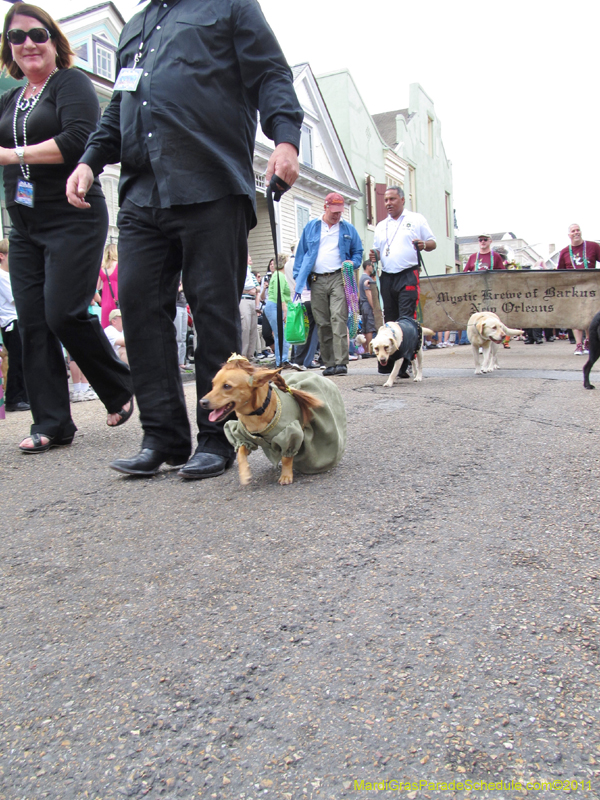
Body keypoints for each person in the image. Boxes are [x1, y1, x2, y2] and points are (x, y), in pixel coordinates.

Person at [67, 0, 302, 479]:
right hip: (141, 189)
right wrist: (91, 159)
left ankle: (217, 437)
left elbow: (270, 73)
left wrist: (285, 137)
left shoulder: (229, 5)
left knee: (213, 310)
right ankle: (162, 436)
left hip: (210, 181)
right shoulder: (134, 26)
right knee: (138, 308)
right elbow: (121, 105)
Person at [0, 4, 133, 454]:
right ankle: (52, 423)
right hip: (25, 226)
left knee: (63, 311)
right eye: (17, 38)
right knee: (32, 323)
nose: (28, 44)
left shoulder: (70, 83)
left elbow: (79, 139)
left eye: (37, 34)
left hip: (73, 215)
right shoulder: (8, 102)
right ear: (9, 49)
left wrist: (11, 156)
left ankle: (118, 387)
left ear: (55, 42)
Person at [369, 186, 436, 376]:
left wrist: (423, 245)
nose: (388, 203)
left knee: (406, 319)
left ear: (402, 200)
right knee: (389, 319)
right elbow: (379, 252)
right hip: (388, 276)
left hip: (408, 273)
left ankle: (405, 363)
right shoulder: (381, 225)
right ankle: (388, 362)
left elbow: (432, 243)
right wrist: (375, 256)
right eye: (386, 200)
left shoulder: (416, 219)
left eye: (392, 199)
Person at [294, 193, 363, 376]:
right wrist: (298, 278)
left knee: (338, 318)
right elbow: (301, 253)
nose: (337, 215)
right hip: (316, 279)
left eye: (339, 212)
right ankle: (329, 362)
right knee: (322, 322)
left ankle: (341, 362)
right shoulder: (312, 227)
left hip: (339, 277)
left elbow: (358, 251)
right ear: (325, 207)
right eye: (334, 211)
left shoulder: (347, 229)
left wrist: (353, 262)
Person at [557, 223, 600, 355]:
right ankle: (578, 344)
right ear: (569, 235)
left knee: (589, 316)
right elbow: (560, 272)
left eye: (578, 230)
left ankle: (588, 342)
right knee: (576, 316)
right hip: (573, 289)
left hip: (590, 288)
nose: (576, 232)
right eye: (573, 231)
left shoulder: (593, 246)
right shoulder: (565, 251)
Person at [0, 238, 29, 411]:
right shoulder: (2, 276)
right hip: (11, 321)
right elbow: (15, 298)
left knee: (23, 360)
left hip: (18, 319)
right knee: (17, 361)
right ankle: (13, 397)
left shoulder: (10, 275)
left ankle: (22, 395)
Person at [264, 254, 291, 367]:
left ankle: (283, 359)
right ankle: (280, 360)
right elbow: (278, 293)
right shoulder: (278, 275)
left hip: (279, 306)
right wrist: (284, 309)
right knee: (280, 333)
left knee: (284, 334)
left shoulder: (281, 275)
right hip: (275, 306)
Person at [239, 256, 259, 361]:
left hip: (253, 301)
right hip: (244, 300)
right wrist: (248, 291)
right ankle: (243, 356)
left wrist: (255, 289)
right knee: (245, 327)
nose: (251, 260)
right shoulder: (240, 271)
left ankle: (250, 355)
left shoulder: (251, 274)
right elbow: (237, 287)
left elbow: (258, 287)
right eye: (248, 258)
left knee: (253, 328)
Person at [98, 242, 119, 328]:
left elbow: (97, 287)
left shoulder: (102, 268)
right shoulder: (119, 265)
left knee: (106, 329)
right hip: (117, 301)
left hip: (105, 303)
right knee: (119, 328)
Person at [359, 259, 377, 351]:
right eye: (372, 266)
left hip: (363, 305)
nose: (373, 268)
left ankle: (366, 350)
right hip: (367, 305)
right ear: (368, 266)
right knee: (370, 327)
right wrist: (374, 307)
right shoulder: (367, 279)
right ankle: (370, 350)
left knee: (365, 328)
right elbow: (368, 294)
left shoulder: (361, 277)